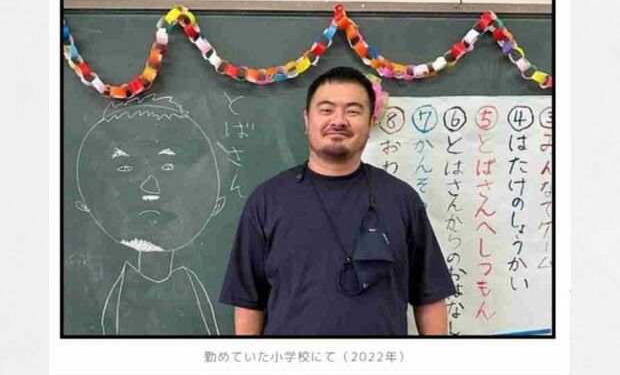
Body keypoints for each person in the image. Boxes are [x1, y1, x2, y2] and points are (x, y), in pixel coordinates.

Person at [219, 66, 456, 335]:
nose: (339, 121)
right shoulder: (267, 200)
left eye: (353, 111)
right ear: (307, 120)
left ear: (370, 122)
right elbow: (248, 303)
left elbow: (430, 298)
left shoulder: (402, 199)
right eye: (326, 109)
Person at [76, 94, 225, 335]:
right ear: (84, 201)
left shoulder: (195, 285)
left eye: (167, 166)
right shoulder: (110, 287)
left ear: (217, 199)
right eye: (125, 168)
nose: (150, 187)